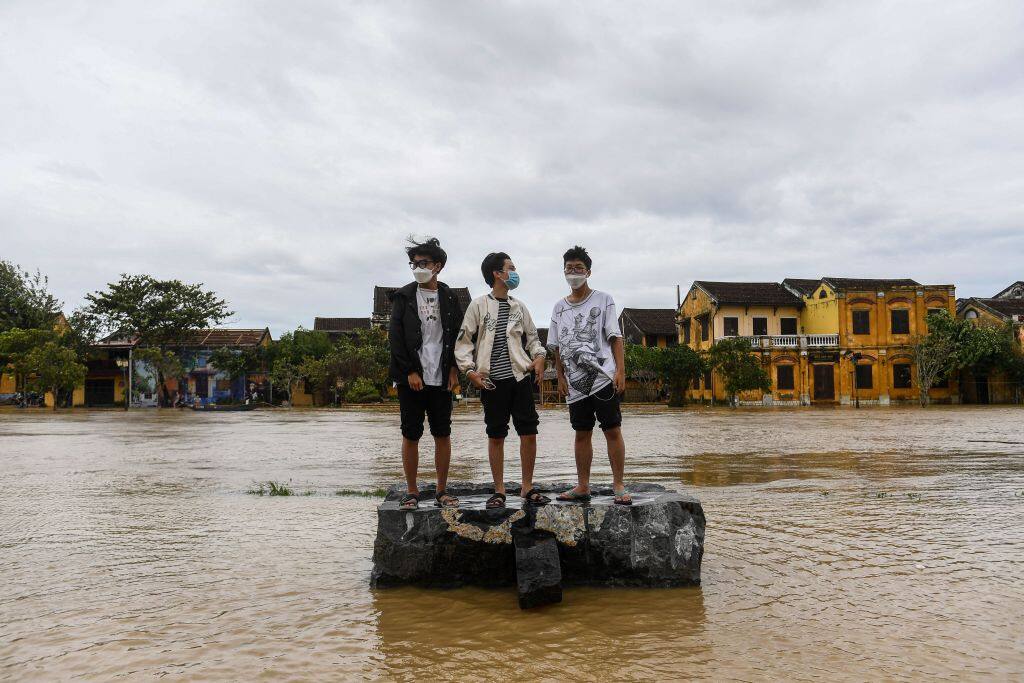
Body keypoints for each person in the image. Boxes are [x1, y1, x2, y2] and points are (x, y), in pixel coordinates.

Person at [455, 252, 550, 509]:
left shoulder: (520, 307)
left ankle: (527, 487)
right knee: (496, 434)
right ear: (497, 273)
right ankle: (499, 490)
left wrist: (539, 357)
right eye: (511, 268)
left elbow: (533, 339)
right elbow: (464, 341)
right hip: (491, 381)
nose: (515, 272)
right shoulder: (478, 306)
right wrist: (470, 371)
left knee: (528, 432)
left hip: (520, 378)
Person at [548, 245, 631, 505]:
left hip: (602, 377)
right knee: (581, 432)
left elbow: (615, 337)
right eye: (569, 268)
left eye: (579, 268)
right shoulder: (559, 308)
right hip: (574, 384)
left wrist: (620, 371)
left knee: (612, 429)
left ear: (588, 272)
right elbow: (557, 347)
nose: (574, 273)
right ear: (564, 272)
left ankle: (618, 484)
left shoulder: (603, 299)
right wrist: (560, 377)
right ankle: (583, 485)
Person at [389, 237, 464, 510]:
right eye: (414, 263)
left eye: (424, 263)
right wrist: (409, 370)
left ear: (438, 266)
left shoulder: (450, 297)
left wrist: (455, 369)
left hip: (442, 376)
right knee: (411, 434)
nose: (418, 267)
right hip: (412, 378)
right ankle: (412, 491)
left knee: (442, 433)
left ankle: (442, 490)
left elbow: (457, 336)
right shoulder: (404, 297)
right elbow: (396, 338)